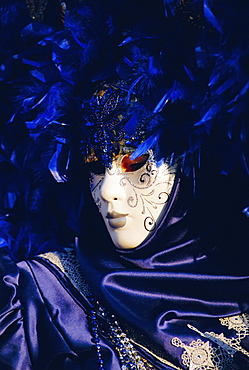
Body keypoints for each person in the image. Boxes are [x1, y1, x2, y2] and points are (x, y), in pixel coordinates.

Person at [1, 1, 249, 370]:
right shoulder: (36, 300)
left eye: (135, 161)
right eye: (94, 167)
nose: (107, 191)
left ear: (194, 164)